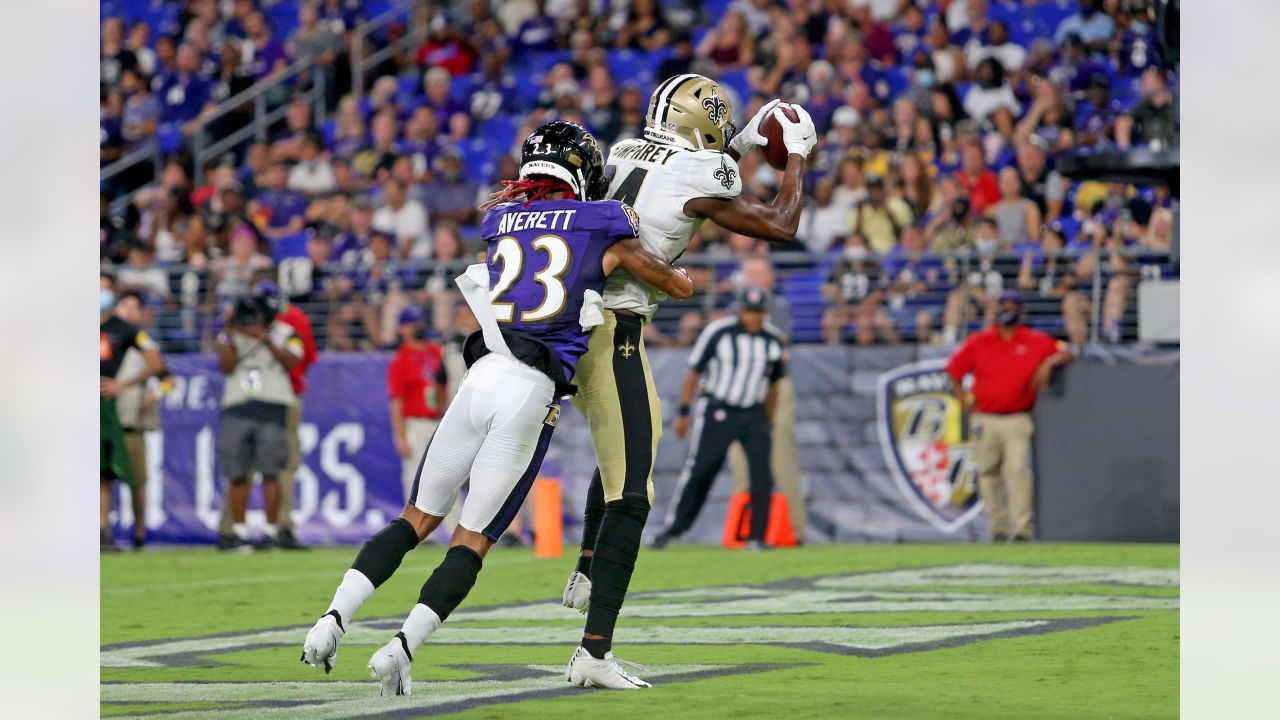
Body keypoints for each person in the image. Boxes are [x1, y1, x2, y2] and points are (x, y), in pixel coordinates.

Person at [298, 121, 694, 695]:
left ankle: (331, 620)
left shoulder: (498, 220)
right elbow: (672, 284)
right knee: (471, 539)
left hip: (477, 377)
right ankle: (402, 647)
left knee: (413, 519)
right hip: (529, 389)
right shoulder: (603, 220)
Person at [560, 74, 816, 689]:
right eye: (720, 121)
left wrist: (750, 139)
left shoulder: (625, 149)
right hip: (612, 329)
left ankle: (587, 570)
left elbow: (686, 177)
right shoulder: (699, 171)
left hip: (579, 317)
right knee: (632, 491)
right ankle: (593, 651)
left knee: (624, 449)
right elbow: (781, 224)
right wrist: (797, 154)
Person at [652, 287, 787, 550]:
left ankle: (757, 537)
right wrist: (684, 412)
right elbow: (693, 372)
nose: (753, 318)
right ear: (739, 310)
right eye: (749, 311)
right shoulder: (719, 332)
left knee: (762, 476)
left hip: (754, 413)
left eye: (758, 312)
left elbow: (773, 384)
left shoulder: (772, 339)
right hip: (718, 410)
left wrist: (767, 420)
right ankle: (673, 529)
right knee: (701, 470)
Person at [945, 291, 1075, 542]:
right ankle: (998, 527)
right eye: (1001, 306)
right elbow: (953, 371)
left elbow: (1067, 351)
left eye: (1010, 305)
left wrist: (1048, 364)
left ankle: (1022, 529)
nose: (1005, 310)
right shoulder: (980, 341)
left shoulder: (1034, 340)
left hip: (1017, 417)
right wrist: (965, 402)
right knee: (987, 472)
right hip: (985, 417)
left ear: (1020, 310)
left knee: (1017, 470)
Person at [217, 280, 315, 549]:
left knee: (272, 470)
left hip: (273, 404)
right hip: (238, 404)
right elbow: (224, 365)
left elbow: (293, 360)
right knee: (238, 471)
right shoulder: (233, 334)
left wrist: (264, 336)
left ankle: (272, 531)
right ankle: (237, 531)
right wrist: (229, 330)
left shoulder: (286, 332)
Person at [100, 286, 164, 551]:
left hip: (112, 410)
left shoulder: (125, 330)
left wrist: (122, 385)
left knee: (118, 475)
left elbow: (159, 366)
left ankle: (125, 532)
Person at [386, 306, 449, 502]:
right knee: (415, 478)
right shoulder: (400, 360)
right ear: (402, 329)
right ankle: (415, 530)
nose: (418, 327)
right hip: (416, 423)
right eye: (413, 324)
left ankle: (454, 529)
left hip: (442, 421)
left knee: (446, 478)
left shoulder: (439, 351)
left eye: (420, 322)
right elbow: (396, 402)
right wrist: (400, 436)